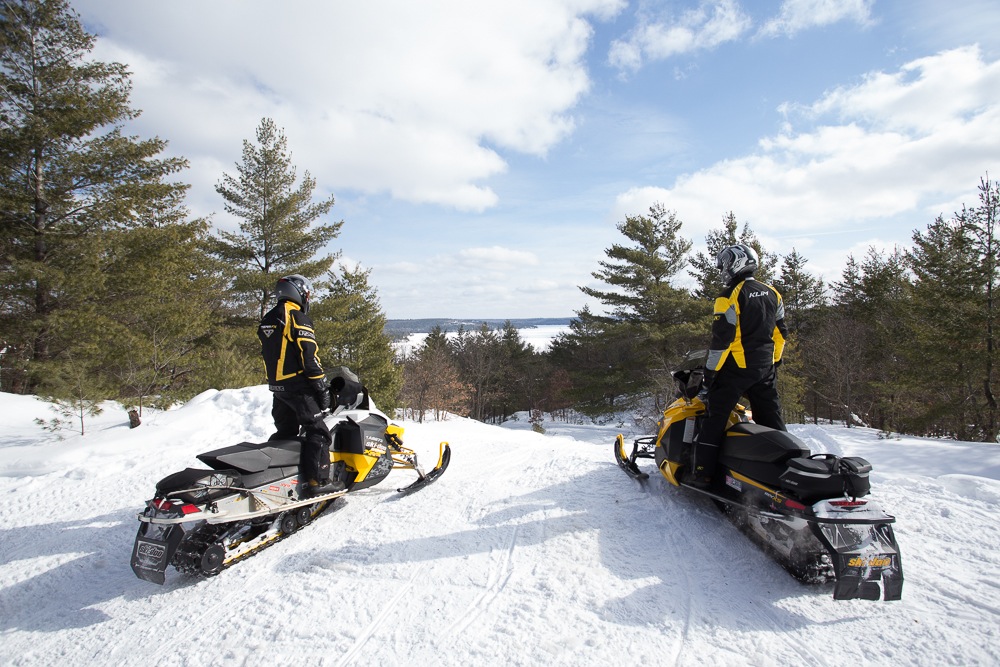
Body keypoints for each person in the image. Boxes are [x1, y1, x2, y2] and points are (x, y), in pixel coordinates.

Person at [689, 243, 789, 489]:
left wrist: (710, 375)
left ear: (735, 263)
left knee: (715, 417)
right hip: (765, 368)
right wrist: (774, 361)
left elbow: (721, 342)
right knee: (770, 418)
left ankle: (702, 473)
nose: (722, 270)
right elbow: (781, 334)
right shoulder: (772, 293)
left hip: (735, 369)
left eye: (724, 264)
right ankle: (786, 467)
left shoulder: (728, 296)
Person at [257, 274, 342, 497]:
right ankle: (318, 481)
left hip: (277, 388)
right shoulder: (296, 318)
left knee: (285, 432)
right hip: (297, 387)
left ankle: (272, 475)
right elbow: (309, 357)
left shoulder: (268, 318)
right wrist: (321, 387)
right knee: (319, 433)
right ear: (300, 293)